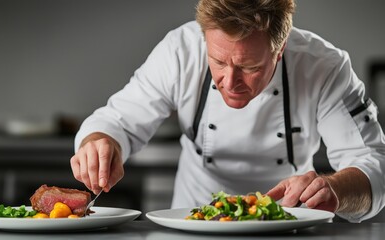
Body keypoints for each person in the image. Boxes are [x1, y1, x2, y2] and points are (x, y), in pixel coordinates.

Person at [70, 0, 385, 222]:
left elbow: (373, 162)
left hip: (289, 223)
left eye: (249, 66)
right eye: (218, 61)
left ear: (281, 48)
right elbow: (116, 121)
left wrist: (334, 189)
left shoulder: (324, 66)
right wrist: (100, 142)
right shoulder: (180, 51)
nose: (230, 82)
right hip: (193, 222)